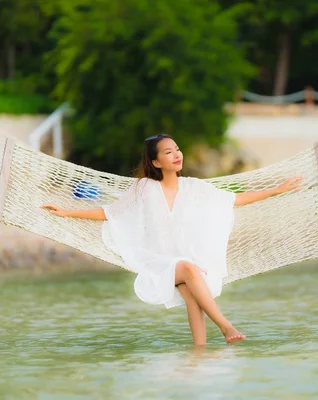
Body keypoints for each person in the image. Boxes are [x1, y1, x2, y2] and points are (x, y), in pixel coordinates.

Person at [42, 134, 302, 345]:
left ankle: (199, 354)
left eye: (177, 149)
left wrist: (278, 190)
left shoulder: (194, 187)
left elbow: (234, 200)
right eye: (168, 152)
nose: (177, 154)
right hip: (155, 262)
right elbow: (110, 213)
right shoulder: (144, 188)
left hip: (185, 263)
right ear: (155, 162)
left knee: (192, 294)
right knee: (188, 270)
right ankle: (225, 326)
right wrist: (66, 212)